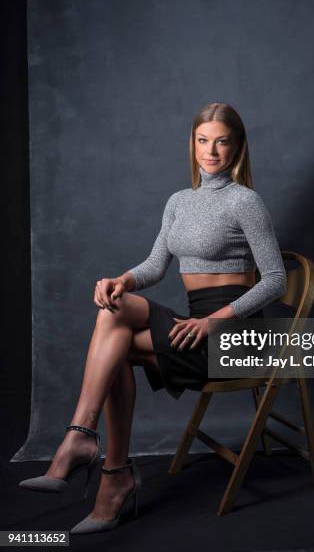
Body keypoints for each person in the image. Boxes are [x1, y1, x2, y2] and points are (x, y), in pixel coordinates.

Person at [18, 102, 287, 534]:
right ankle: (94, 451)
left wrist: (214, 321)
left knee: (115, 346)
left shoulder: (246, 202)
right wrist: (121, 279)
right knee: (114, 307)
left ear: (237, 147)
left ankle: (101, 462)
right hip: (191, 327)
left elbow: (275, 280)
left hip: (232, 334)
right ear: (192, 144)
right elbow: (155, 265)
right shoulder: (179, 201)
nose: (211, 151)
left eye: (221, 141)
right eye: (203, 140)